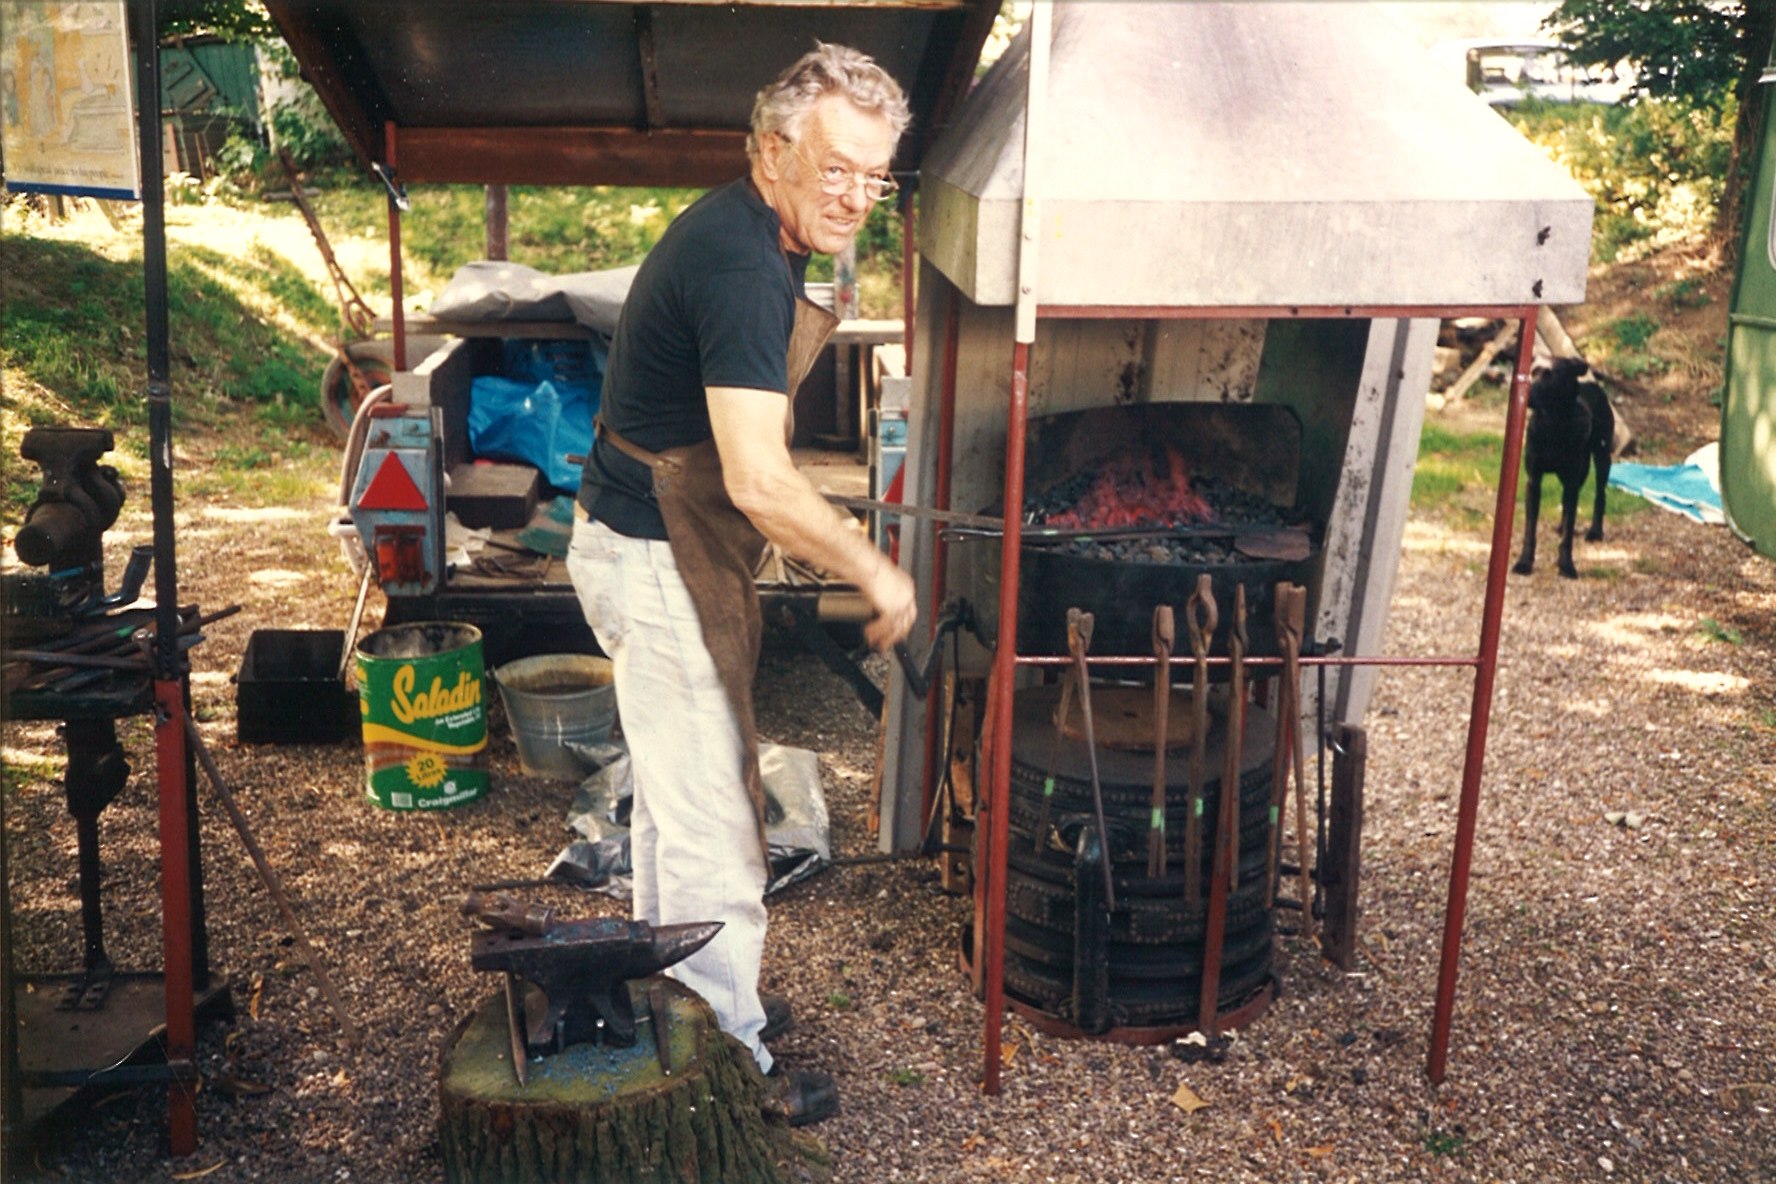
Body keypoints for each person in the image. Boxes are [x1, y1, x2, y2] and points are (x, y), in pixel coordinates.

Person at [566, 43, 918, 1126]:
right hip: (653, 552)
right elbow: (759, 480)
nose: (854, 197)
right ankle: (726, 1066)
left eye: (874, 178)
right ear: (772, 152)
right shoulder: (739, 265)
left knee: (678, 804)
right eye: (834, 168)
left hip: (647, 538)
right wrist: (870, 565)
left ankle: (687, 1004)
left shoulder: (754, 234)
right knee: (716, 820)